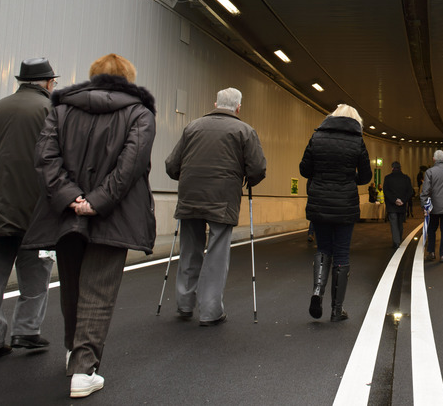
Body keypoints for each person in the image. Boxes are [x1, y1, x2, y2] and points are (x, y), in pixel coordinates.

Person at [22, 54, 156, 399]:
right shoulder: (139, 113)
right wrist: (97, 201)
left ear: (92, 77)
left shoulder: (61, 109)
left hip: (65, 213)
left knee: (71, 286)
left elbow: (45, 157)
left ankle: (73, 351)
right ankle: (83, 370)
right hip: (114, 213)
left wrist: (70, 197)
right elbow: (131, 164)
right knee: (98, 289)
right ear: (128, 79)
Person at [0, 57, 59, 361]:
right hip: (36, 213)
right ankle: (27, 331)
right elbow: (58, 163)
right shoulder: (51, 112)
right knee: (38, 271)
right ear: (48, 83)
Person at [165, 87, 267, 326]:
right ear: (239, 107)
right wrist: (247, 180)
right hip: (223, 198)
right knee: (217, 254)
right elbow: (258, 168)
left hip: (190, 195)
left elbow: (172, 164)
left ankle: (184, 304)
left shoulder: (192, 127)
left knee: (190, 249)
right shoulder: (244, 130)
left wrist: (185, 176)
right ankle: (210, 312)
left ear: (215, 104)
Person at [300, 104, 372, 322]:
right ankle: (336, 310)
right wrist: (350, 179)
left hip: (320, 201)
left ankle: (316, 293)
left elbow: (304, 169)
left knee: (323, 248)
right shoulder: (357, 141)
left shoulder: (317, 137)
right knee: (341, 253)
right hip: (345, 204)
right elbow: (366, 175)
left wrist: (321, 176)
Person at [383, 161, 414, 248]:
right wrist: (403, 200)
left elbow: (386, 191)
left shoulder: (388, 178)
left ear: (392, 168)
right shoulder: (406, 178)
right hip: (402, 205)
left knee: (394, 223)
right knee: (400, 223)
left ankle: (396, 242)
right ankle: (398, 239)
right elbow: (410, 191)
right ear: (400, 168)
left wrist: (394, 200)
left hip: (392, 205)